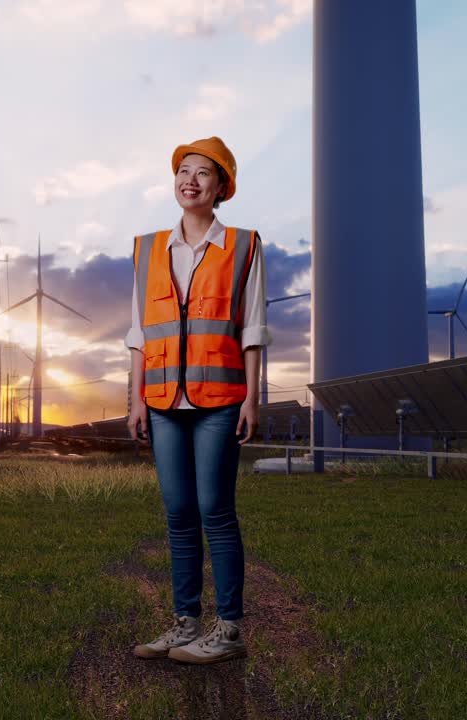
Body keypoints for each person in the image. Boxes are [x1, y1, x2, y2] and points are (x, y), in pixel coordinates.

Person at [124, 136, 270, 665]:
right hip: (162, 399)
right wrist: (136, 398)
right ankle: (185, 623)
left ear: (221, 186)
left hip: (221, 399)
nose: (190, 179)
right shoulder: (146, 249)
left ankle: (228, 630)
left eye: (202, 172)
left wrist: (253, 398)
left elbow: (252, 327)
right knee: (178, 513)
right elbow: (139, 331)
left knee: (216, 511)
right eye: (183, 170)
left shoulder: (245, 245)